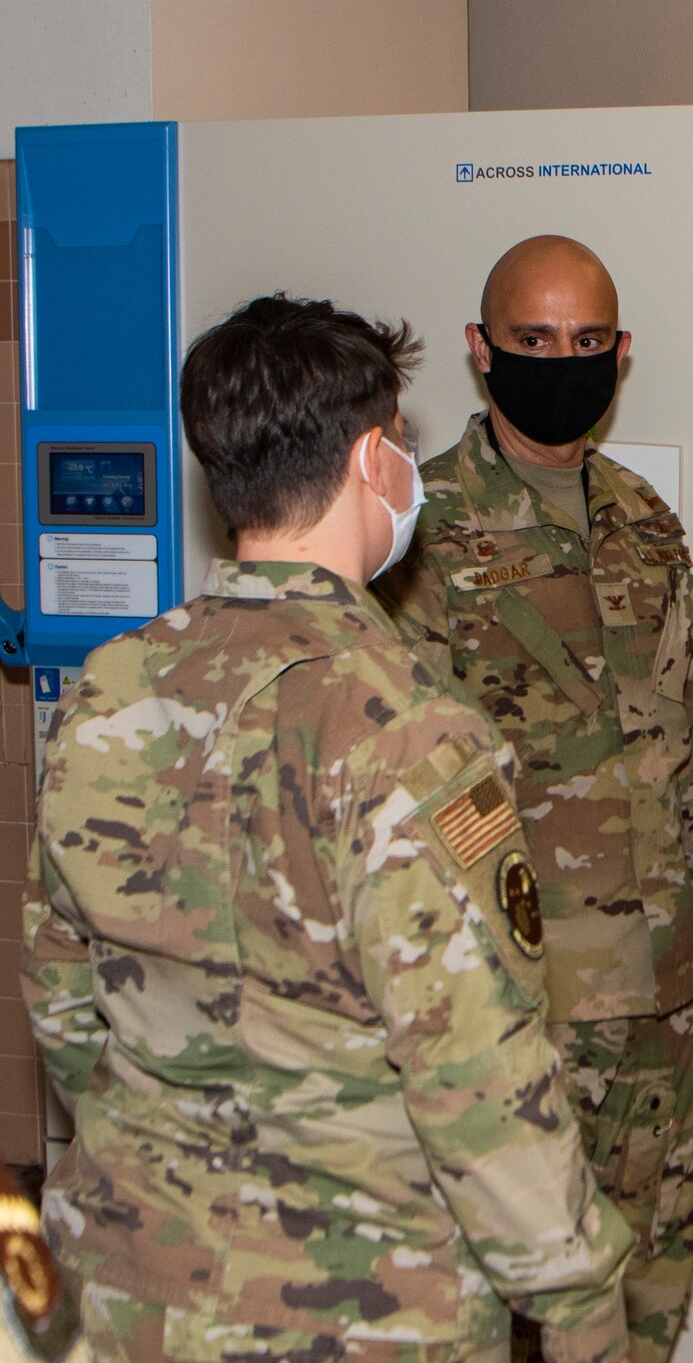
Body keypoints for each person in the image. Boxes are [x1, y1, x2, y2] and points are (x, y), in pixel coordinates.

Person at [23, 295, 634, 1363]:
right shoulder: (408, 729)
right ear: (371, 459)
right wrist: (577, 1295)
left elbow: (61, 990)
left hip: (128, 1287)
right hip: (359, 1306)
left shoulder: (108, 688)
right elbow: (474, 1067)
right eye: (400, 440)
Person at [378, 236, 693, 1359]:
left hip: (658, 999)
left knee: (645, 1290)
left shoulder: (643, 519)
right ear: (479, 350)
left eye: (586, 340)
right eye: (535, 340)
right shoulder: (421, 531)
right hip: (513, 1008)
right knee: (502, 1309)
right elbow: (401, 785)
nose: (564, 360)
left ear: (621, 352)